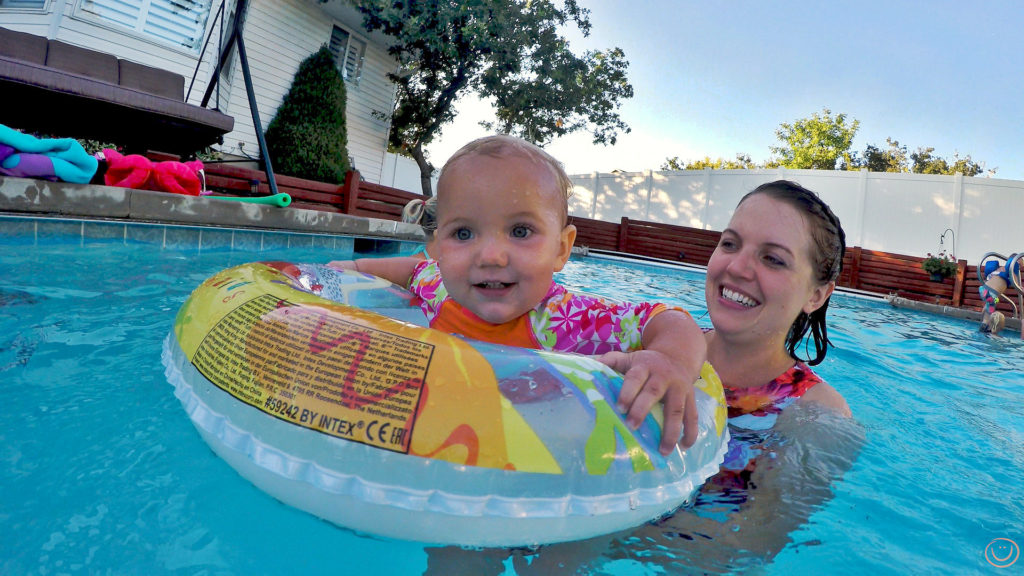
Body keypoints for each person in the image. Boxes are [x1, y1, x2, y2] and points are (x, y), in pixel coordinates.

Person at [328, 134, 708, 454]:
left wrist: (669, 359)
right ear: (439, 247)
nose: (491, 256)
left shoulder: (566, 319)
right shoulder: (439, 287)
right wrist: (341, 271)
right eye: (463, 233)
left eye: (521, 231)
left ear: (561, 249)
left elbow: (665, 317)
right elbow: (412, 270)